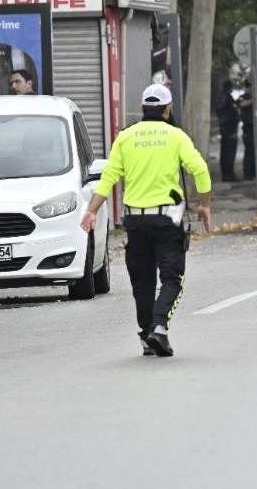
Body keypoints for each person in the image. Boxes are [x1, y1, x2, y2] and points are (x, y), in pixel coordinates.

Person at [80, 84, 212, 357]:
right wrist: (205, 205)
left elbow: (108, 179)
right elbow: (200, 170)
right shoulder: (176, 136)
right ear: (167, 110)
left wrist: (91, 211)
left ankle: (146, 334)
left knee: (142, 281)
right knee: (172, 278)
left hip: (135, 223)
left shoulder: (125, 138)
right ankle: (159, 328)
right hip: (166, 221)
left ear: (142, 108)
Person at [216, 80, 240, 182]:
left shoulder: (219, 98)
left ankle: (225, 173)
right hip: (230, 129)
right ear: (230, 88)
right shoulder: (229, 98)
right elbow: (233, 113)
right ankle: (229, 174)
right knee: (230, 152)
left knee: (224, 151)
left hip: (223, 129)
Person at [238, 85, 256, 180]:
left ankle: (250, 172)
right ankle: (248, 173)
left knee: (251, 153)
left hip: (249, 131)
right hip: (248, 132)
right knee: (249, 153)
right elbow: (242, 104)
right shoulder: (245, 107)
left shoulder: (248, 107)